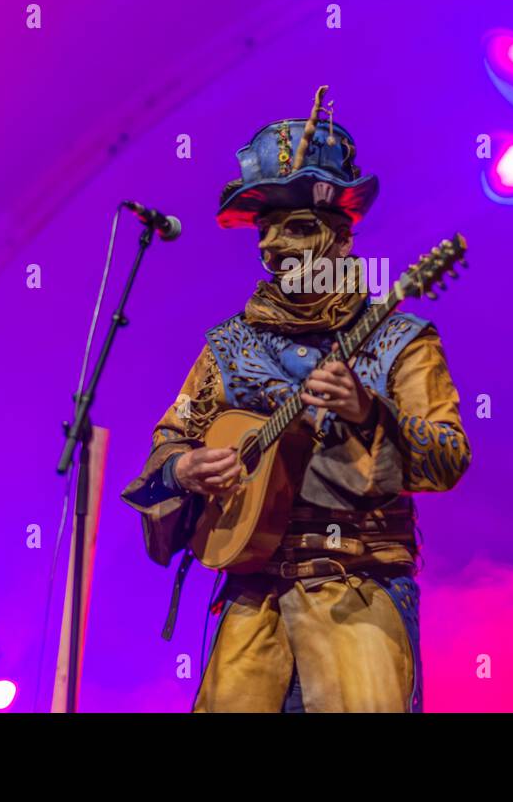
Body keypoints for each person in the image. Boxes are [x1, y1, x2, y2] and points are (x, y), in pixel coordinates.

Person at [122, 86, 470, 712]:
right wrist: (183, 468)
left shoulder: (400, 339)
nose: (275, 245)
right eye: (266, 229)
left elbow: (448, 457)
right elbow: (159, 462)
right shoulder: (227, 347)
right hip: (250, 606)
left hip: (356, 596)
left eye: (298, 227)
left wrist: (369, 413)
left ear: (341, 239)